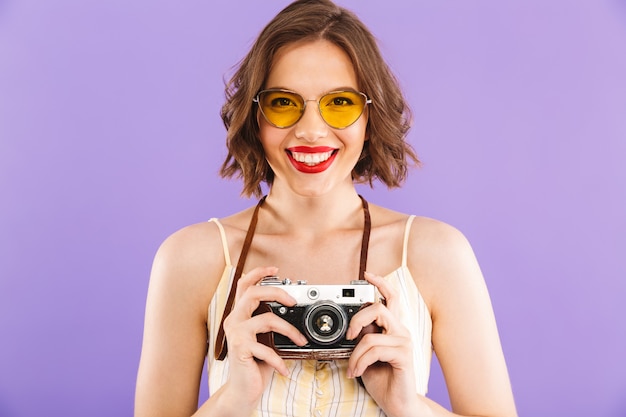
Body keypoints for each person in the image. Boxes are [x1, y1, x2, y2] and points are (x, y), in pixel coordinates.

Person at [134, 0, 518, 416]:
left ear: (370, 117)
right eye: (283, 102)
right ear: (255, 116)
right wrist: (232, 399)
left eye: (340, 103)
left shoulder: (435, 253)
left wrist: (406, 405)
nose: (311, 131)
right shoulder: (190, 258)